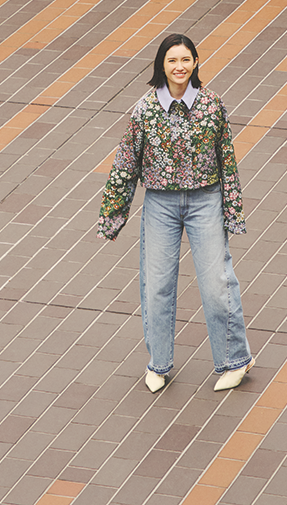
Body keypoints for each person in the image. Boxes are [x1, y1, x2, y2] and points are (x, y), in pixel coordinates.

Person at [97, 33, 254, 393]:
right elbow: (126, 163)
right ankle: (159, 364)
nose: (179, 67)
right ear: (161, 66)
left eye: (185, 60)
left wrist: (232, 210)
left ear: (195, 63)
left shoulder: (213, 105)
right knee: (157, 287)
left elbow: (227, 161)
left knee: (218, 284)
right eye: (172, 61)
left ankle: (236, 360)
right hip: (160, 205)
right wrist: (112, 216)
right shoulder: (145, 109)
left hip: (205, 201)